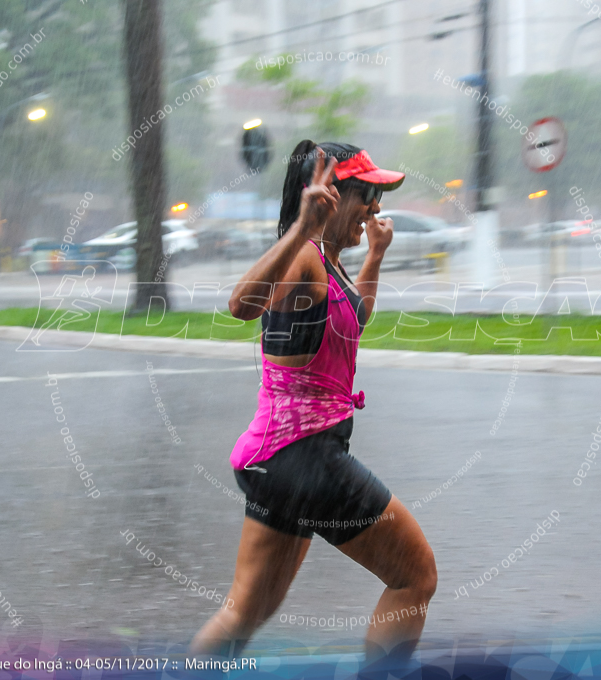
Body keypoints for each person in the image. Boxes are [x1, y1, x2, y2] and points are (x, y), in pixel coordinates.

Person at [190, 141, 437, 666]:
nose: (374, 208)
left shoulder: (327, 262)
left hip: (277, 461)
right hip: (306, 457)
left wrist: (374, 257)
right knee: (415, 577)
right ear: (330, 196)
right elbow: (240, 305)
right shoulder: (304, 254)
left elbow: (352, 322)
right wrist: (304, 227)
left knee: (244, 614)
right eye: (366, 195)